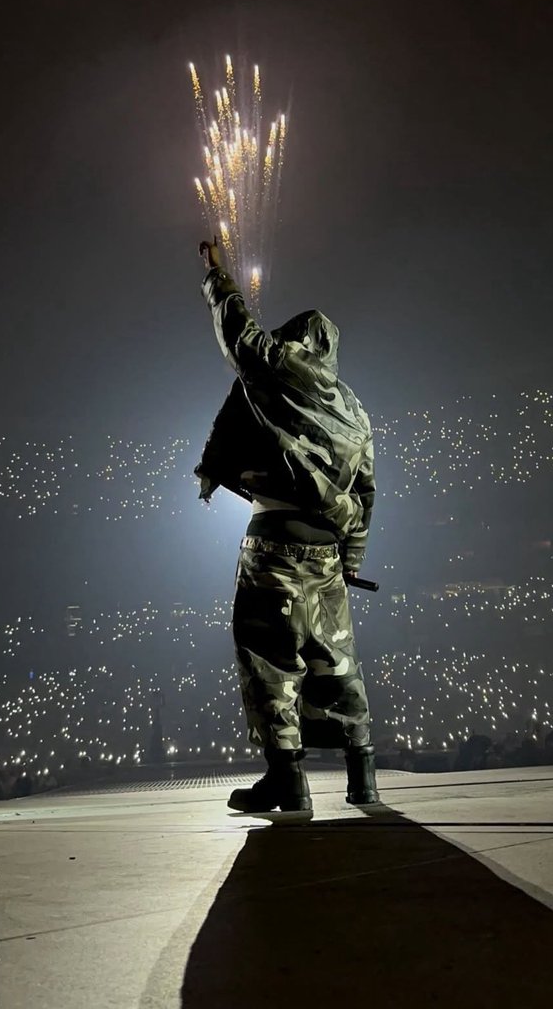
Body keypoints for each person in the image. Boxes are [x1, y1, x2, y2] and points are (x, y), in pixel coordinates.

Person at [195, 237, 379, 813]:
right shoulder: (354, 409)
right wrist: (350, 562)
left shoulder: (280, 372)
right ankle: (363, 777)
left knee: (268, 658)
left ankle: (287, 782)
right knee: (338, 661)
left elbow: (240, 338)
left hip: (273, 545)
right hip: (328, 556)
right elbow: (365, 493)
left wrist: (218, 279)